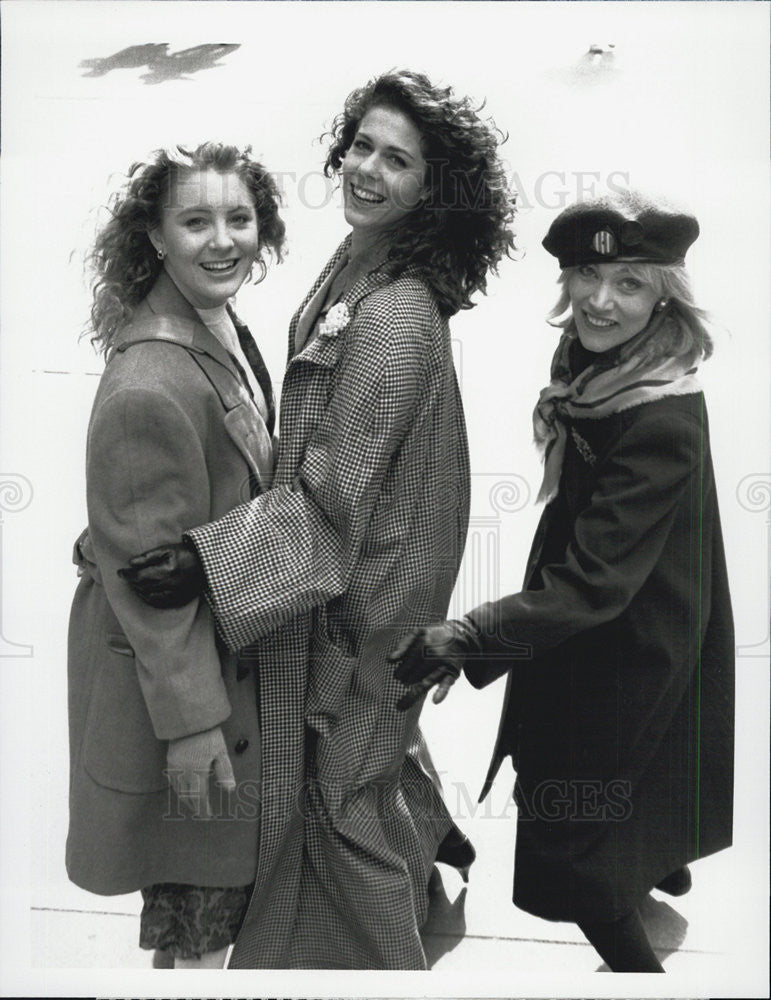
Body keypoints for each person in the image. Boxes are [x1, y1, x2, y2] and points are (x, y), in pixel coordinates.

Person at [120, 69, 515, 969]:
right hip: (353, 602)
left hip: (361, 617)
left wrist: (206, 562)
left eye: (397, 160)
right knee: (350, 799)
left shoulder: (394, 318)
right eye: (361, 146)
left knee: (342, 822)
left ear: (434, 188)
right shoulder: (363, 261)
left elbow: (335, 504)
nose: (366, 171)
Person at [391, 190, 734, 973]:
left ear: (664, 297)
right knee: (634, 792)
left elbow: (591, 585)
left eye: (629, 285)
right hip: (609, 621)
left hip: (628, 646)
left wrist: (469, 636)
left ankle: (637, 972)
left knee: (573, 843)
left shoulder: (660, 418)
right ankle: (653, 866)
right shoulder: (597, 360)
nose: (599, 301)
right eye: (586, 274)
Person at [66, 142, 285, 969]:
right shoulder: (149, 386)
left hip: (225, 653)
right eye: (195, 221)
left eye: (239, 217)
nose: (222, 239)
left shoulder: (213, 322)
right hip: (184, 690)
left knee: (217, 900)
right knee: (198, 917)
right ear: (156, 237)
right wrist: (194, 728)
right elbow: (149, 576)